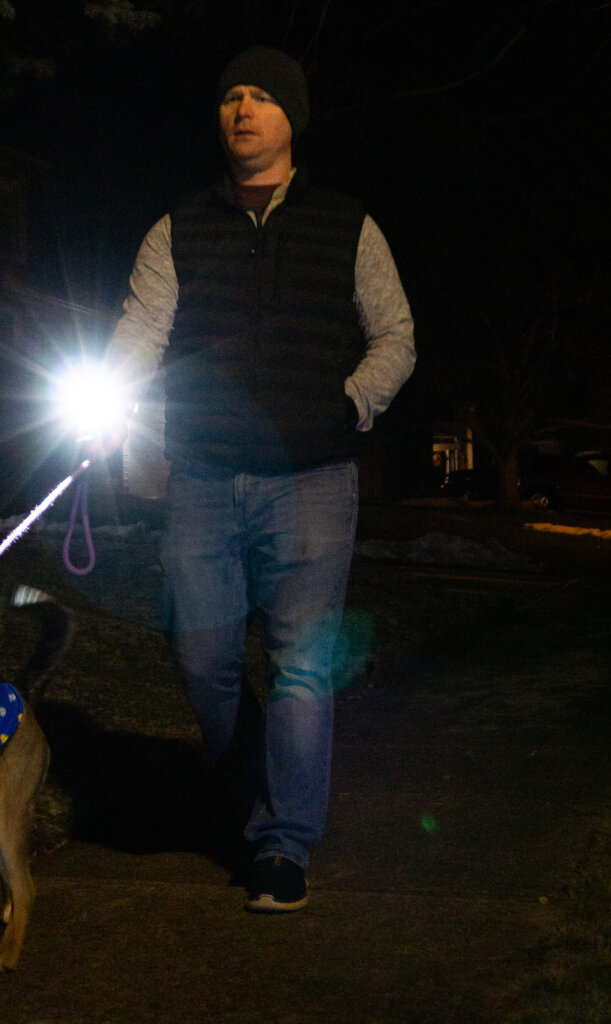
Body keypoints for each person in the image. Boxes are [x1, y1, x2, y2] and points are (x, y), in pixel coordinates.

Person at [103, 46, 416, 912]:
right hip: (201, 473)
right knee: (203, 657)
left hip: (311, 479)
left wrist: (350, 405)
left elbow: (396, 335)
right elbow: (141, 329)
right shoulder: (178, 225)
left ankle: (282, 845)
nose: (242, 109)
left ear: (292, 119)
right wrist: (117, 413)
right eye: (230, 95)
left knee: (302, 669)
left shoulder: (348, 223)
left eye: (262, 97)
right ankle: (250, 794)